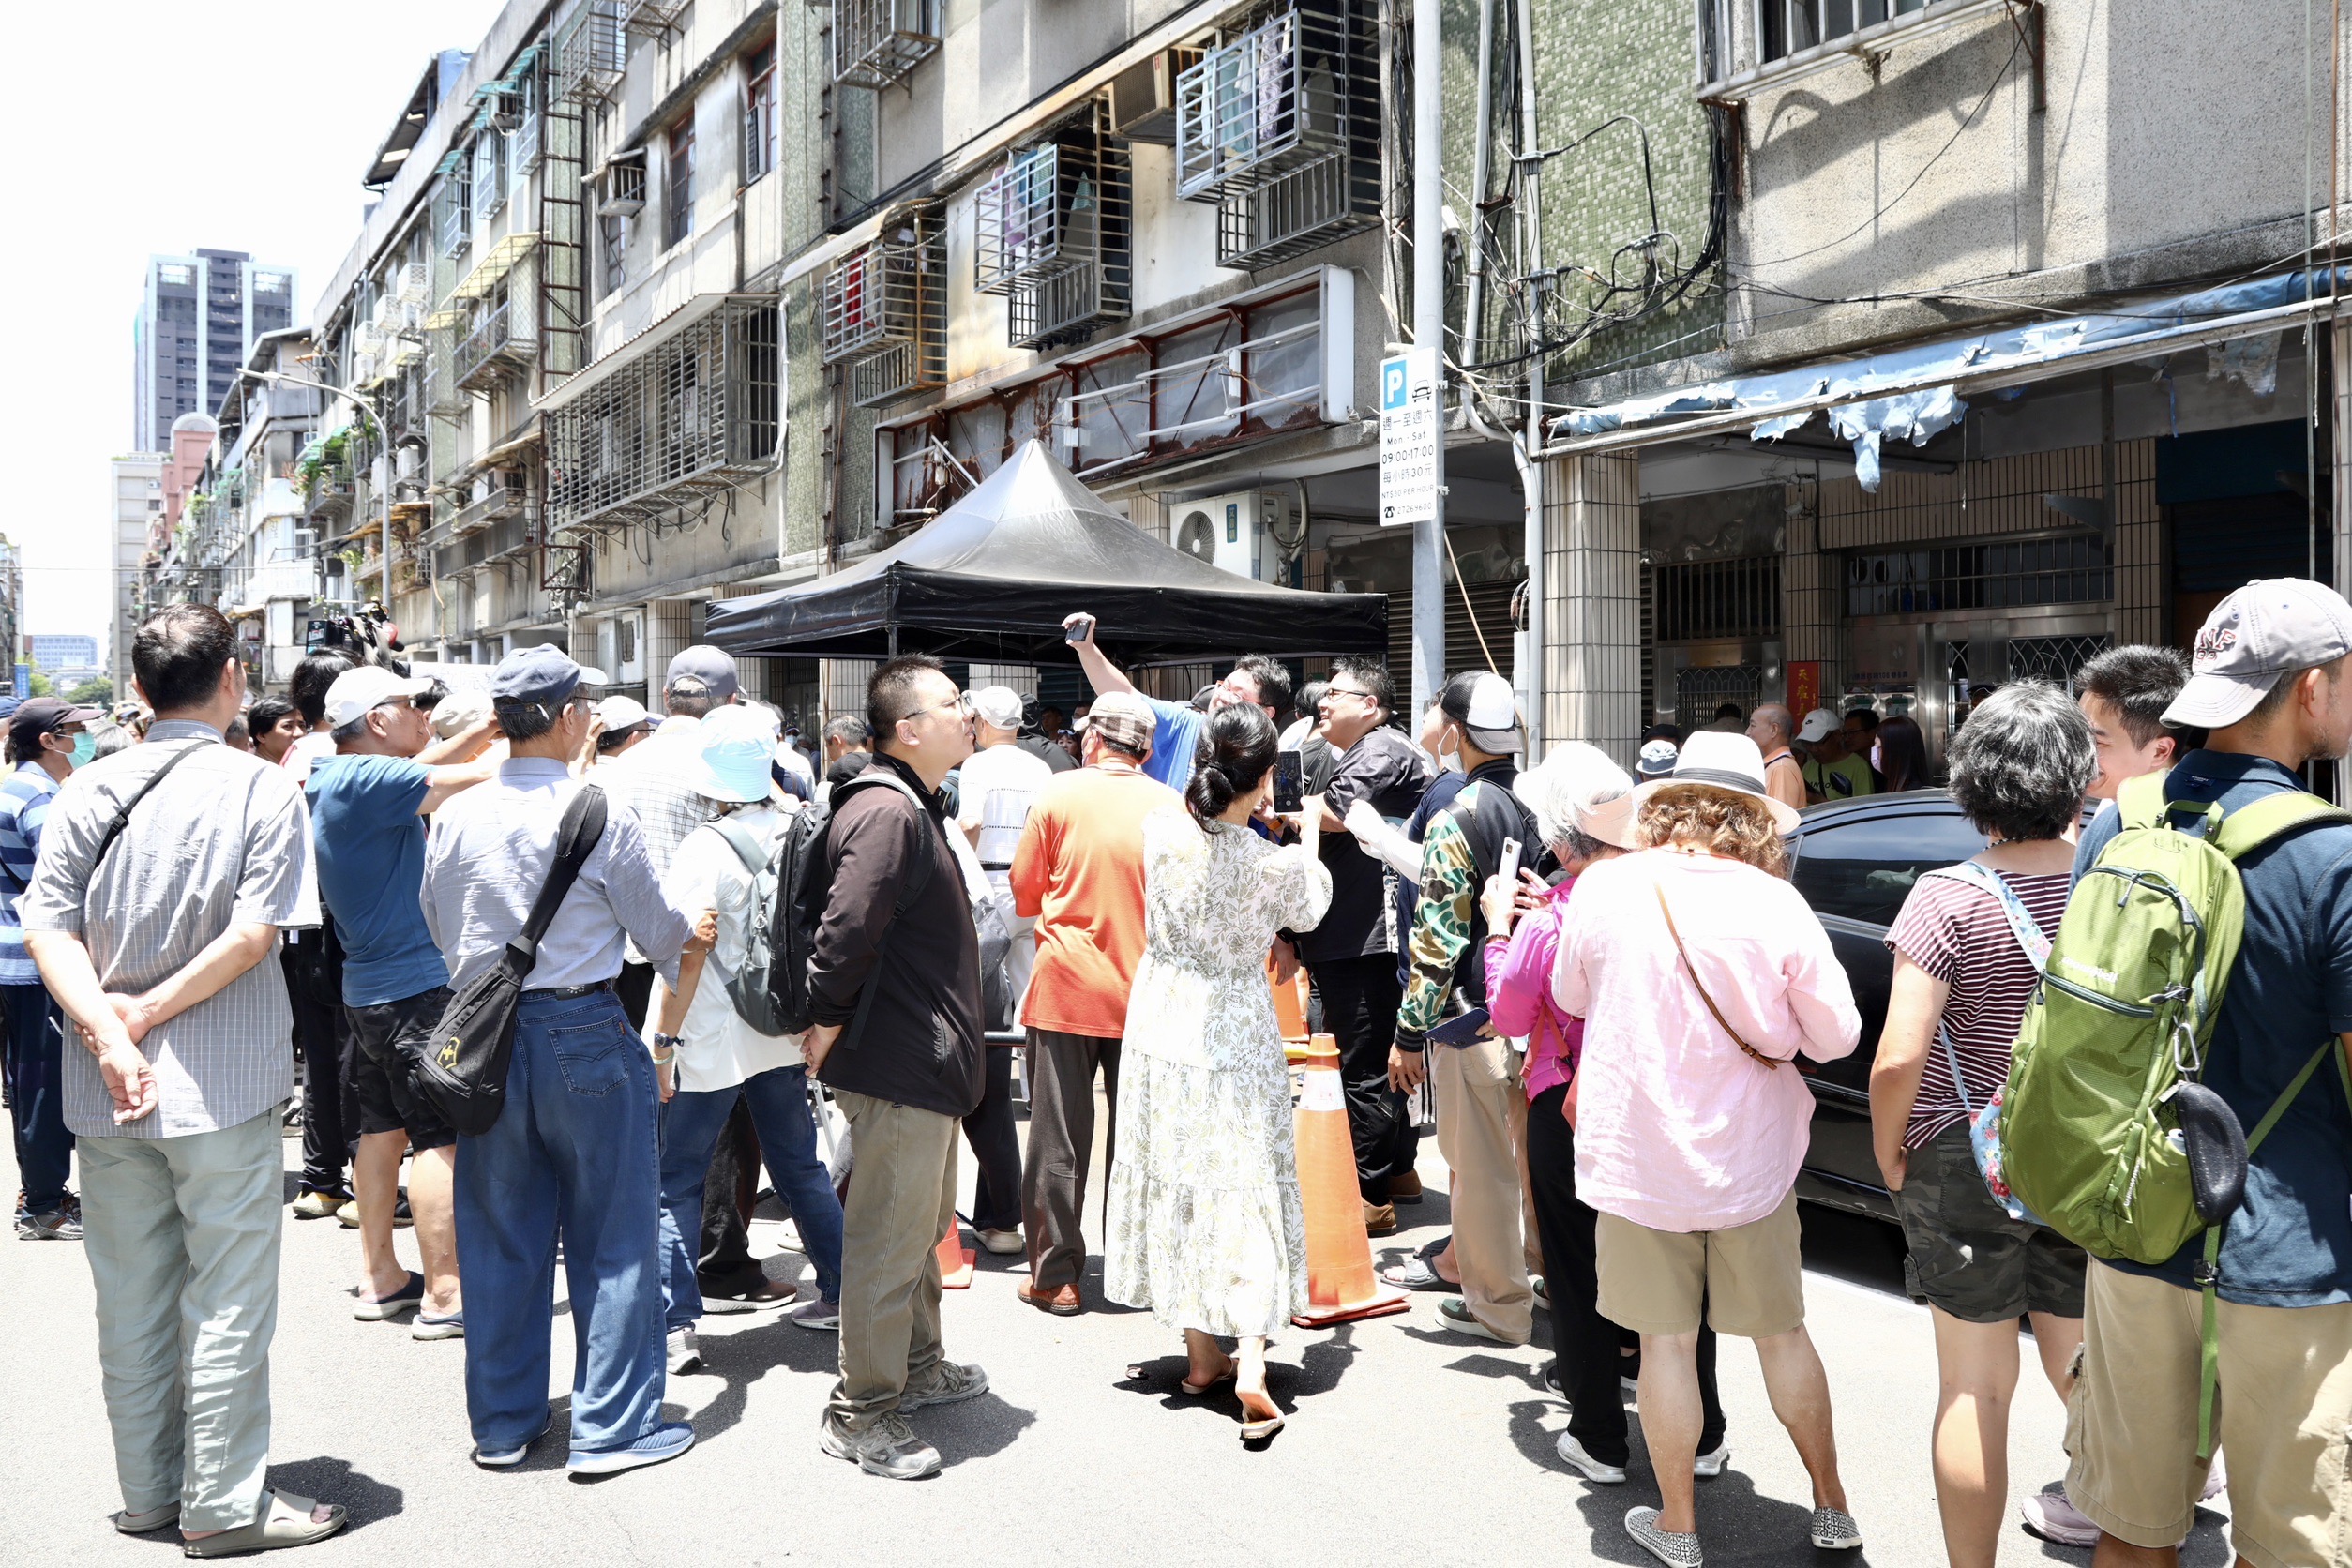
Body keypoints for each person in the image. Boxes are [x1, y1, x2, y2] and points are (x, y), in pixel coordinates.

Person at [23, 606, 347, 1553]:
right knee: (229, 1302)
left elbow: (49, 926)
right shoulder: (261, 787)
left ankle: (150, 1493)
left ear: (137, 687)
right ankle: (224, 1505)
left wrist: (110, 1033)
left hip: (105, 1091)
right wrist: (148, 1016)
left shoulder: (86, 787)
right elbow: (256, 935)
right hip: (223, 1082)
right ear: (234, 680)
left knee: (129, 1298)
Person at [2063, 580, 2352, 1568]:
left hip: (2139, 1228)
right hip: (2290, 1262)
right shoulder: (2333, 858)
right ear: (2312, 688)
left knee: (2130, 1534)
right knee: (2293, 1548)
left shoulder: (2119, 826)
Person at [1552, 731, 1864, 1564]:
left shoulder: (1608, 887)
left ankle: (1681, 1529)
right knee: (1783, 1336)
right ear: (1752, 818)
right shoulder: (1775, 903)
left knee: (1664, 1347)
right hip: (1751, 1166)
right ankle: (1832, 1508)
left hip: (1640, 1160)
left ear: (1668, 805)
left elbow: (1566, 992)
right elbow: (1837, 1037)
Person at [420, 644, 706, 1475]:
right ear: (572, 716)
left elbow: (440, 927)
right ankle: (611, 1428)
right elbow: (662, 938)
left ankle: (504, 1426)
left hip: (486, 1039)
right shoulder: (596, 809)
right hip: (583, 1026)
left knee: (501, 1235)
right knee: (612, 1233)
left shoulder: (456, 814)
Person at [1869, 684, 2094, 1568]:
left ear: (1972, 784)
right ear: (2079, 776)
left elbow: (1898, 1057)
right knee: (2086, 1366)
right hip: (2083, 1154)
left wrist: (1891, 1150)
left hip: (1964, 1155)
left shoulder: (1946, 898)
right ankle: (2138, 1527)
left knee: (1973, 1387)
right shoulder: (2110, 883)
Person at [1484, 744, 1731, 1486]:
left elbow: (1508, 1011)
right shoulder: (1677, 897)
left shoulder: (1553, 919)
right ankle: (1705, 1431)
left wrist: (1501, 929)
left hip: (1571, 1102)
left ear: (1560, 843)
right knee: (1680, 1266)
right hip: (1663, 1099)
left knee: (1575, 1263)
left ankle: (1597, 1436)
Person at [1105, 702, 1331, 1440]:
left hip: (1163, 1014)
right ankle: (1254, 1357)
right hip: (1236, 1025)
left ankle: (1202, 1355)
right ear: (1264, 777)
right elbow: (1313, 906)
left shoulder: (1163, 830)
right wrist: (1309, 828)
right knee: (1246, 1179)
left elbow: (1192, 809)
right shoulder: (1275, 864)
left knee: (1177, 1172)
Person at [806, 656, 988, 1482]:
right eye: (952, 703)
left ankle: (916, 1366)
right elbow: (846, 934)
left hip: (922, 1059)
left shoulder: (910, 801)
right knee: (887, 1238)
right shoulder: (887, 811)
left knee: (918, 1226)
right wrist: (825, 1021)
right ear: (908, 729)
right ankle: (861, 1411)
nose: (968, 711)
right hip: (898, 1061)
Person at [306, 666, 498, 1338]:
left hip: (371, 990)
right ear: (379, 720)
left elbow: (433, 760)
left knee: (383, 1133)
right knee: (440, 1140)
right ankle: (447, 1293)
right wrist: (523, 745)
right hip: (415, 991)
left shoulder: (340, 776)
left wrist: (488, 726)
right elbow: (480, 781)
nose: (426, 716)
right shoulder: (370, 779)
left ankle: (381, 1276)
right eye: (415, 705)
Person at [656, 705, 846, 1377]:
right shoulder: (805, 826)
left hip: (711, 1031)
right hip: (781, 1027)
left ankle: (676, 1326)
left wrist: (662, 1041)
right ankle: (843, 1291)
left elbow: (684, 951)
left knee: (674, 1179)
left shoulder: (705, 847)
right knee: (799, 1166)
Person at [1007, 692, 1181, 1315]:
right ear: (1147, 749)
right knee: (1140, 1139)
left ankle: (1057, 1278)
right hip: (1148, 992)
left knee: (1057, 1139)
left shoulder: (1058, 796)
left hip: (1066, 985)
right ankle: (1138, 1271)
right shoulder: (1171, 805)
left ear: (1090, 741)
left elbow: (1025, 895)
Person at [1389, 670, 1539, 1334]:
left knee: (1478, 1169)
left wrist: (1406, 1032)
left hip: (1472, 1018)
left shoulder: (1459, 816)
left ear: (1453, 733)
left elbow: (1438, 936)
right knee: (1534, 1164)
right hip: (1539, 1014)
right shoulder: (1535, 800)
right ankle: (1543, 1277)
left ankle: (1499, 1308)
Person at [1300, 658, 1430, 1233]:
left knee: (1364, 1066)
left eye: (1336, 693)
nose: (1323, 702)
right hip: (1353, 931)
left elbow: (1334, 812)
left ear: (1370, 705)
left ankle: (1370, 1195)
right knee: (1374, 1060)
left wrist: (1280, 806)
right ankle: (1398, 1172)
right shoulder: (1362, 748)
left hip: (1367, 937)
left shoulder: (1383, 748)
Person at [957, 686, 1057, 1255]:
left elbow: (968, 821)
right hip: (1033, 889)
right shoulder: (1040, 768)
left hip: (988, 883)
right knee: (1027, 997)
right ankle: (1031, 1084)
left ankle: (995, 1080)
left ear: (980, 721)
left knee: (986, 1004)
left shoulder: (978, 765)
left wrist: (957, 858)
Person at [2, 697, 102, 1240]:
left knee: (30, 1081)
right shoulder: (37, 795)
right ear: (49, 740)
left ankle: (41, 1192)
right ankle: (42, 1203)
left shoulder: (20, 786)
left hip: (19, 956)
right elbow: (62, 876)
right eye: (74, 731)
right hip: (39, 960)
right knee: (42, 1083)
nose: (82, 739)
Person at [280, 651, 361, 1224]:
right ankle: (366, 1175)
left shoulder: (291, 755)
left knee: (321, 1056)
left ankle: (321, 1178)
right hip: (346, 921)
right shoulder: (340, 756)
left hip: (302, 925)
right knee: (356, 1056)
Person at [1062, 611, 1291, 792]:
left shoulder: (1269, 756)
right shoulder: (1182, 723)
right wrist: (1087, 649)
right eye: (1224, 685)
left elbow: (1277, 827)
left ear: (1266, 712)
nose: (1222, 696)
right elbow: (1125, 695)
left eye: (1237, 695)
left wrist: (1272, 819)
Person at [2075, 644, 2203, 806]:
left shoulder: (2183, 824)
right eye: (2077, 736)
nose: (2077, 751)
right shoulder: (2115, 801)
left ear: (2159, 751)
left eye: (2098, 742)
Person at [1796, 707, 1876, 802]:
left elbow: (1863, 811)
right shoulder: (1809, 767)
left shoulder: (1858, 767)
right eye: (1808, 743)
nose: (1814, 749)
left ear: (1837, 736)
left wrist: (1818, 800)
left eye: (1819, 742)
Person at [1744, 703, 1810, 813]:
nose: (1747, 732)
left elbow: (1780, 822)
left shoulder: (1781, 767)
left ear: (1773, 730)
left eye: (1752, 725)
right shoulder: (1777, 764)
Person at [818, 714, 874, 802]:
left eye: (827, 747)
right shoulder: (881, 764)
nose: (829, 754)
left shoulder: (841, 769)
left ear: (836, 741)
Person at [593, 693, 654, 764]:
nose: (651, 736)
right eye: (648, 732)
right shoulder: (638, 774)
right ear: (634, 740)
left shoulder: (583, 771)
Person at [1877, 715, 1931, 792]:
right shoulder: (1905, 788)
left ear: (1894, 752)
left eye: (1879, 748)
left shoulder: (1910, 794)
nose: (1875, 754)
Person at [247, 695, 303, 766]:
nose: (299, 733)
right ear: (262, 735)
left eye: (302, 726)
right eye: (288, 726)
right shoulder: (250, 772)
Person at [1840, 707, 1884, 789]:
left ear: (1872, 733)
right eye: (1845, 733)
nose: (1847, 738)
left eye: (1852, 733)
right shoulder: (1850, 766)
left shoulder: (1883, 767)